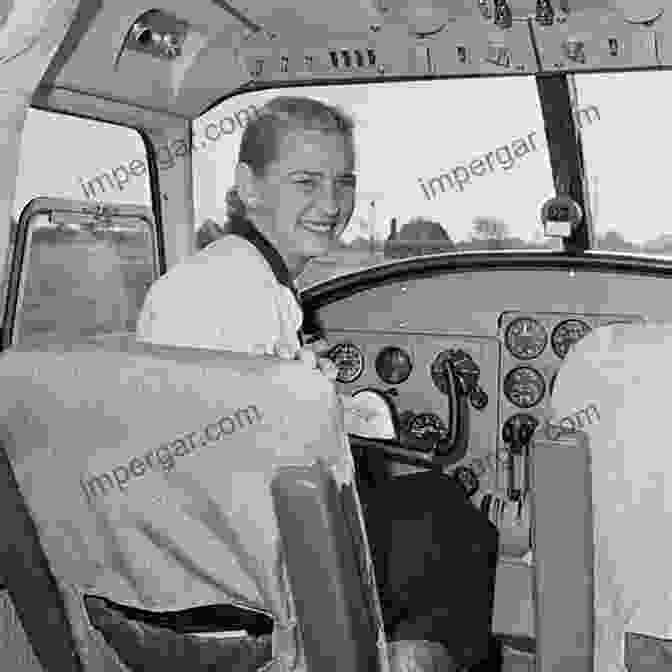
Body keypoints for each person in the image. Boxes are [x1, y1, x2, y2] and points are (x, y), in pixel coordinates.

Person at [133, 96, 501, 671]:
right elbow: (258, 466)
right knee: (447, 516)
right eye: (306, 181)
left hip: (197, 554)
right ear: (248, 187)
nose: (331, 203)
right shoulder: (228, 292)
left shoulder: (231, 276)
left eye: (343, 181)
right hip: (244, 574)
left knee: (427, 506)